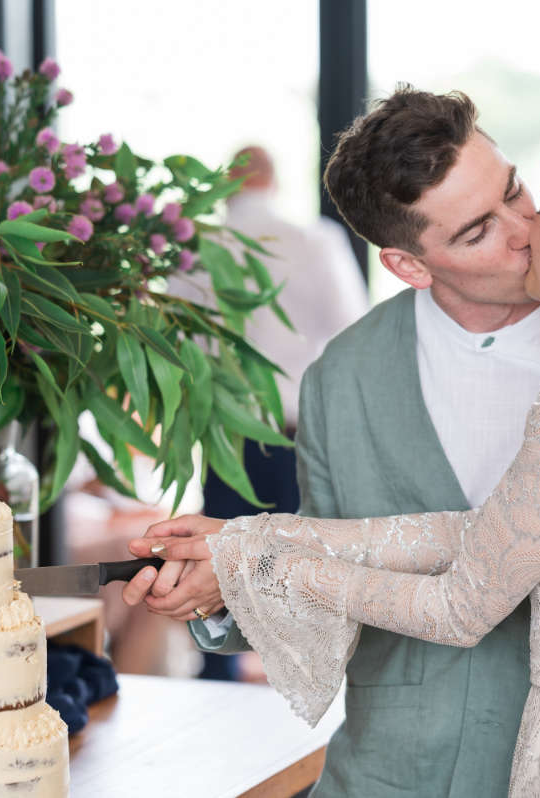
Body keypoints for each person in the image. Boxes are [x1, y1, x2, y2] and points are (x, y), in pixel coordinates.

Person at [125, 91, 540, 796]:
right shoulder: (340, 379)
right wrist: (225, 584)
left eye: (516, 193)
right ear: (410, 265)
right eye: (477, 232)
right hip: (393, 777)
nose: (524, 230)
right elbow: (383, 561)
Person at [165, 145, 368, 679]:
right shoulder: (312, 240)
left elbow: (174, 335)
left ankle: (217, 676)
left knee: (220, 553)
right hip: (294, 424)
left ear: (227, 182)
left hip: (224, 425)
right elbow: (352, 330)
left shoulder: (194, 244)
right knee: (292, 560)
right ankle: (298, 679)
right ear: (273, 180)